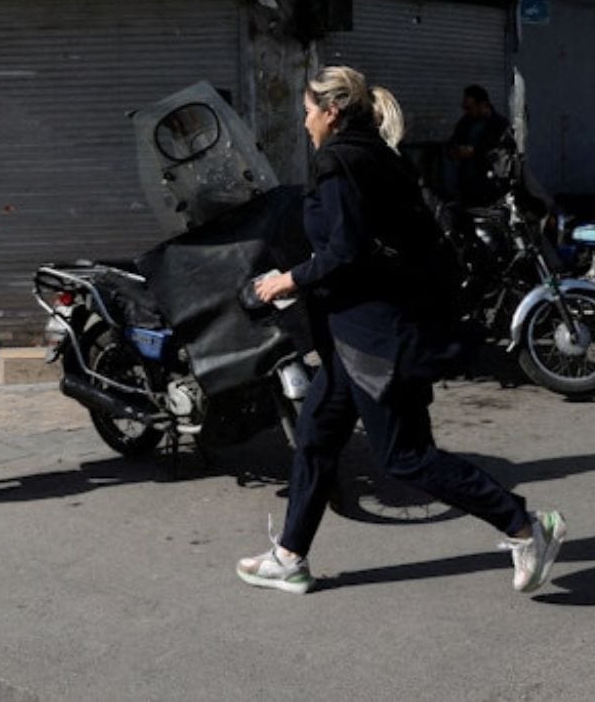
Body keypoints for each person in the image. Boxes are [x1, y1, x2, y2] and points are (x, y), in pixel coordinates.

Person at [237, 66, 565, 595]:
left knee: (405, 457)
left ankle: (526, 526)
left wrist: (287, 280)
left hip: (375, 342)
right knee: (316, 438)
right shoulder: (375, 155)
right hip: (356, 336)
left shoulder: (339, 162)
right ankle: (289, 557)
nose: (304, 122)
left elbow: (346, 251)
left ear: (332, 112)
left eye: (308, 111)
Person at [446, 84, 510, 206]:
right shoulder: (465, 122)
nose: (466, 111)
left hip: (489, 186)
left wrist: (475, 152)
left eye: (470, 107)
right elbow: (453, 141)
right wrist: (454, 151)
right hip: (467, 185)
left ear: (483, 105)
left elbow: (502, 153)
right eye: (465, 108)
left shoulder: (499, 124)